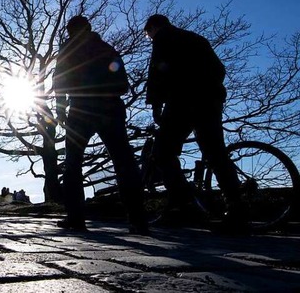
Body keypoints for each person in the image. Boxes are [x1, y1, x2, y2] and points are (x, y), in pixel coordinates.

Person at [144, 14, 247, 233]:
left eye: (148, 34)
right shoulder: (196, 38)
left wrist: (155, 104)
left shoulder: (163, 38)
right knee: (215, 151)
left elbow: (157, 72)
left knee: (163, 151)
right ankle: (236, 207)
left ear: (153, 27)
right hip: (210, 100)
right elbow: (219, 69)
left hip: (183, 100)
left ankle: (183, 205)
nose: (150, 38)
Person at [53, 15, 148, 234]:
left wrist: (60, 109)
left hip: (80, 110)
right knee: (123, 161)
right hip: (110, 109)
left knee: (73, 163)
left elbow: (60, 81)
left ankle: (76, 217)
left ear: (71, 31)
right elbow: (123, 83)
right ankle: (138, 219)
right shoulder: (107, 49)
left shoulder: (68, 49)